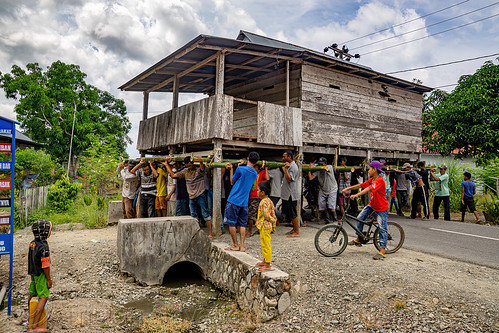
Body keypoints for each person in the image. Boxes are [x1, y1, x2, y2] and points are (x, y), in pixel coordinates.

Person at [342, 160, 389, 260]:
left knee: (382, 228)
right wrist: (348, 188)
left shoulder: (379, 180)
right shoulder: (372, 179)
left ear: (374, 169)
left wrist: (357, 195)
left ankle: (382, 251)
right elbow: (361, 185)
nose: (368, 170)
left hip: (381, 207)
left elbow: (368, 189)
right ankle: (359, 238)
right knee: (360, 218)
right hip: (372, 204)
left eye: (369, 169)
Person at [165, 156, 213, 238]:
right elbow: (173, 175)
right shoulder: (185, 171)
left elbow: (202, 169)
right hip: (191, 196)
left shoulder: (198, 170)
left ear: (193, 163)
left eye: (190, 165)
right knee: (193, 215)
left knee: (205, 214)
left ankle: (210, 233)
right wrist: (166, 164)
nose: (189, 167)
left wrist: (201, 161)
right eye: (187, 166)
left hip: (200, 194)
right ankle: (195, 233)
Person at [223, 151, 260, 251]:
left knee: (232, 223)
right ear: (256, 162)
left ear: (248, 158)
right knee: (242, 224)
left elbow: (232, 181)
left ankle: (235, 245)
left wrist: (231, 169)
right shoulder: (255, 173)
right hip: (244, 202)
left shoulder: (240, 169)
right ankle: (242, 246)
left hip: (234, 199)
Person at [28, 220, 52, 333]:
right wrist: (48, 279)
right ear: (45, 232)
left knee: (32, 293)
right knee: (43, 297)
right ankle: (35, 326)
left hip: (33, 273)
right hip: (41, 274)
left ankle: (30, 319)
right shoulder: (44, 247)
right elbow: (46, 265)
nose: (50, 232)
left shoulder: (32, 243)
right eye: (49, 229)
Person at [254, 180, 277, 272]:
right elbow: (273, 213)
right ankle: (265, 260)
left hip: (265, 226)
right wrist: (274, 225)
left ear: (263, 192)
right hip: (268, 226)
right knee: (264, 243)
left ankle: (267, 264)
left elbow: (267, 215)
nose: (257, 191)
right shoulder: (269, 201)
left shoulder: (263, 202)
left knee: (265, 244)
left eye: (258, 190)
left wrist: (272, 221)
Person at [308, 157, 338, 223]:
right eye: (320, 164)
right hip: (323, 190)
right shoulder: (317, 171)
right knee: (321, 206)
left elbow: (325, 169)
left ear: (325, 163)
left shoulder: (329, 167)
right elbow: (310, 178)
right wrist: (309, 169)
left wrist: (314, 166)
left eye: (322, 164)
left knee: (331, 206)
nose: (321, 165)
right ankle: (326, 219)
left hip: (332, 189)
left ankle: (335, 220)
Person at [281, 150, 300, 236]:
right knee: (290, 212)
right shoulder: (290, 166)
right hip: (288, 194)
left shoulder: (293, 167)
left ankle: (297, 231)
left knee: (293, 213)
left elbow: (289, 179)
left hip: (291, 194)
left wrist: (285, 170)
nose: (283, 158)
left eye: (284, 156)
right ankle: (294, 229)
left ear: (289, 157)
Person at [247, 164, 268, 237]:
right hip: (252, 196)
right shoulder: (251, 174)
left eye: (255, 167)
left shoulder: (261, 173)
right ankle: (260, 228)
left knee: (251, 215)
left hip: (257, 197)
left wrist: (266, 169)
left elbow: (267, 178)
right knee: (255, 214)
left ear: (258, 168)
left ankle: (251, 231)